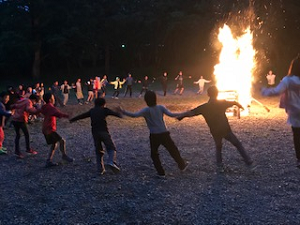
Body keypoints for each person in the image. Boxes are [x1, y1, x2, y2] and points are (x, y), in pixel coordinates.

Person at [177, 86, 254, 169]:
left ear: (208, 94)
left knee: (218, 146)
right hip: (225, 129)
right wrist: (241, 106)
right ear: (217, 94)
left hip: (215, 131)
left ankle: (219, 163)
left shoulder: (204, 107)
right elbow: (234, 102)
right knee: (237, 144)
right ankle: (248, 160)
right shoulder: (222, 103)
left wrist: (182, 116)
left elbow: (191, 113)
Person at [120, 90, 189, 177]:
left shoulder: (146, 110)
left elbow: (134, 115)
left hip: (154, 135)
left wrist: (123, 111)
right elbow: (172, 114)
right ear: (155, 98)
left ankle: (161, 172)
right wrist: (184, 113)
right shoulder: (160, 107)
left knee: (154, 154)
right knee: (173, 150)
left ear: (146, 100)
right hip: (164, 133)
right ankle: (182, 165)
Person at [262, 57, 300, 167]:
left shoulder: (288, 81)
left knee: (297, 136)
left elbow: (276, 91)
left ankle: (299, 159)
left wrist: (263, 90)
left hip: (295, 112)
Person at [70, 98, 122, 175]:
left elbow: (82, 116)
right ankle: (111, 161)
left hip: (95, 133)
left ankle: (100, 169)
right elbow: (116, 114)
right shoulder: (105, 110)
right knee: (111, 147)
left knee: (99, 150)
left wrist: (72, 119)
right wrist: (119, 112)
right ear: (104, 104)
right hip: (104, 131)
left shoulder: (92, 111)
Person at [41, 93, 73, 167]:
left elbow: (42, 112)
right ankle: (63, 156)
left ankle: (48, 161)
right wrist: (68, 116)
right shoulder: (50, 107)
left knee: (54, 144)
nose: (54, 98)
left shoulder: (45, 106)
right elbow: (58, 114)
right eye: (53, 97)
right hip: (49, 129)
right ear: (50, 99)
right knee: (62, 141)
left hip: (45, 128)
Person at [11, 94, 40, 158]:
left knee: (18, 135)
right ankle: (28, 149)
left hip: (14, 119)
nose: (34, 103)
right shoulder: (29, 102)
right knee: (26, 134)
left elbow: (14, 105)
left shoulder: (23, 100)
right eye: (35, 102)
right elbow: (29, 109)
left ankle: (17, 151)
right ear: (34, 100)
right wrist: (37, 109)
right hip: (21, 120)